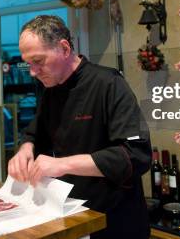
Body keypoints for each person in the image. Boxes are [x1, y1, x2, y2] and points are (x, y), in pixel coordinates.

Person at [8, 15, 152, 239]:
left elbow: (136, 155)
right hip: (72, 212)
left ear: (64, 48)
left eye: (39, 61)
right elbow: (35, 133)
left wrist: (61, 164)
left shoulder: (109, 83)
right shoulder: (51, 89)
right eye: (29, 64)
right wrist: (25, 149)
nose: (33, 72)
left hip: (115, 220)